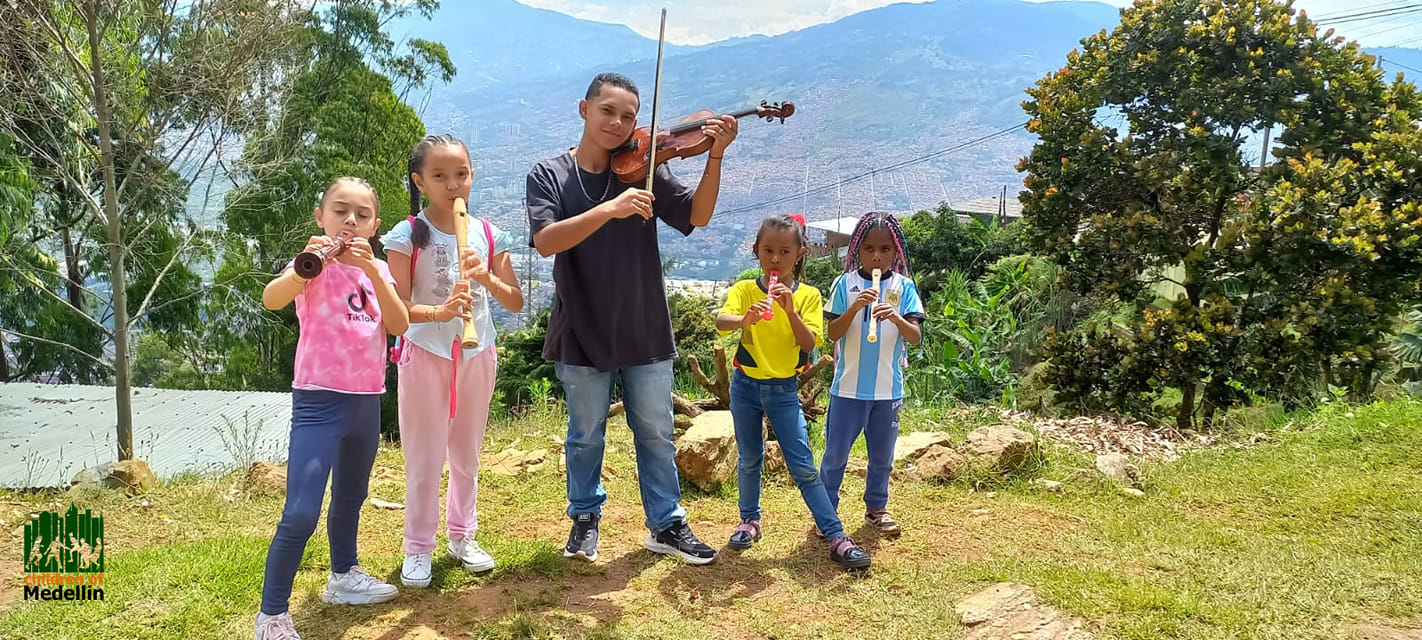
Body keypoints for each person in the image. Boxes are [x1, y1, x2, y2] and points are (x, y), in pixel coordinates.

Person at [525, 72, 737, 565]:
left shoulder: (645, 169)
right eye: (608, 112)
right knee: (585, 434)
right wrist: (612, 209)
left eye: (628, 116)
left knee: (656, 430)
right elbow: (546, 241)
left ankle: (665, 523)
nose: (618, 124)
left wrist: (716, 156)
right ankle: (584, 518)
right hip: (581, 321)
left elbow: (697, 214)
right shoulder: (549, 174)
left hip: (643, 319)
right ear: (584, 109)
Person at [255, 177, 410, 640]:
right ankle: (272, 614)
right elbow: (272, 297)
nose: (350, 221)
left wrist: (376, 273)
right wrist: (306, 269)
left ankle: (343, 575)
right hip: (319, 400)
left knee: (350, 498)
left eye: (362, 215)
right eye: (340, 211)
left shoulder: (377, 269)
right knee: (301, 510)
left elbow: (399, 322)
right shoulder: (311, 266)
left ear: (375, 227)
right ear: (320, 217)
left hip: (365, 400)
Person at [384, 134, 524, 587]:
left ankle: (463, 535)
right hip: (425, 352)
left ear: (472, 176)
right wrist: (442, 312)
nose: (453, 185)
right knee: (424, 457)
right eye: (440, 176)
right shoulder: (407, 235)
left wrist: (485, 276)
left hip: (477, 350)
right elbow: (398, 311)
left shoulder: (486, 234)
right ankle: (418, 547)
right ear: (419, 181)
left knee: (467, 454)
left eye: (460, 174)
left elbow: (516, 301)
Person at [716, 213, 871, 569]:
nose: (775, 259)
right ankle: (749, 521)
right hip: (745, 385)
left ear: (800, 254)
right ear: (756, 251)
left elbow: (809, 342)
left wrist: (789, 310)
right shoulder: (744, 290)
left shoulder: (808, 296)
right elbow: (722, 322)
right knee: (750, 457)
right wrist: (744, 320)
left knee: (802, 465)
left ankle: (835, 536)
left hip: (784, 389)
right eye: (768, 250)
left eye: (784, 252)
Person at [819, 211, 925, 539]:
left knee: (882, 457)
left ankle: (876, 509)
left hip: (887, 392)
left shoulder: (903, 287)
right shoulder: (845, 284)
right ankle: (826, 511)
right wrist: (854, 308)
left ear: (896, 251)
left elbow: (915, 336)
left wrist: (893, 316)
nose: (876, 256)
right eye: (868, 249)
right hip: (847, 389)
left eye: (884, 249)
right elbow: (832, 333)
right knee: (836, 454)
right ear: (857, 250)